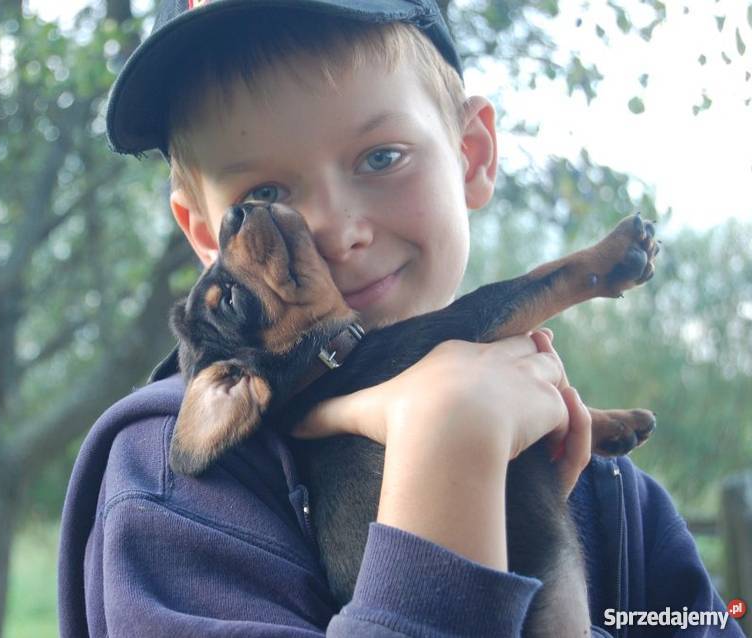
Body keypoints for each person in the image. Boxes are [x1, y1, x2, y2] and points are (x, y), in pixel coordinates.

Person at [58, 1, 743, 635]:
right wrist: (446, 449)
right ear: (212, 238)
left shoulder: (622, 507)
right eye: (265, 192)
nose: (336, 231)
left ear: (473, 156)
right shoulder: (177, 490)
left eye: (381, 157)